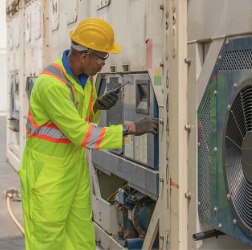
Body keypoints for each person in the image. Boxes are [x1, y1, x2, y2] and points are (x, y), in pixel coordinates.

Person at [18, 18, 158, 250]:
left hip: (73, 170)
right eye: (103, 58)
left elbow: (76, 120)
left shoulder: (85, 80)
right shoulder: (52, 84)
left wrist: (96, 107)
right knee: (47, 241)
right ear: (84, 56)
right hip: (47, 176)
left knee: (81, 239)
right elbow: (81, 134)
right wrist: (130, 128)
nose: (104, 63)